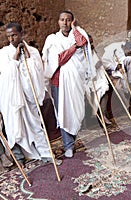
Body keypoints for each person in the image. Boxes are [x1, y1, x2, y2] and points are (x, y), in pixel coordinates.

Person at [0, 22, 57, 166]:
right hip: (13, 98)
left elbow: (39, 74)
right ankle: (20, 157)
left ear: (21, 34)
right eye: (9, 36)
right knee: (14, 126)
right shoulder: (3, 53)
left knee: (36, 125)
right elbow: (6, 74)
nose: (11, 39)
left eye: (14, 35)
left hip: (29, 95)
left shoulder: (33, 52)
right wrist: (15, 58)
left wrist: (28, 58)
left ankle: (46, 154)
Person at [42, 11, 95, 158]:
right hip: (58, 81)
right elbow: (57, 60)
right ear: (58, 22)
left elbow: (83, 43)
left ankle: (73, 139)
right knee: (63, 113)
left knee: (76, 113)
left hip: (75, 81)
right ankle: (68, 145)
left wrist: (75, 27)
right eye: (62, 20)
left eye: (68, 20)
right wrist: (72, 49)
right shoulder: (52, 39)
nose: (65, 23)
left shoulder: (77, 34)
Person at [101, 40, 131, 116]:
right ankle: (128, 107)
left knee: (129, 59)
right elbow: (104, 62)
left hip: (125, 75)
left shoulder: (129, 55)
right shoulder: (113, 49)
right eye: (129, 52)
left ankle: (129, 85)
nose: (130, 54)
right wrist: (115, 66)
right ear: (125, 48)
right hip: (112, 74)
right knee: (119, 88)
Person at [84, 34, 110, 126]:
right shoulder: (80, 53)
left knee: (105, 87)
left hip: (96, 79)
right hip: (85, 81)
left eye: (91, 42)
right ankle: (90, 119)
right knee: (86, 91)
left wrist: (99, 64)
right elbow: (83, 71)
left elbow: (101, 65)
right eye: (89, 42)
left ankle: (102, 115)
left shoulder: (93, 52)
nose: (91, 44)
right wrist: (94, 67)